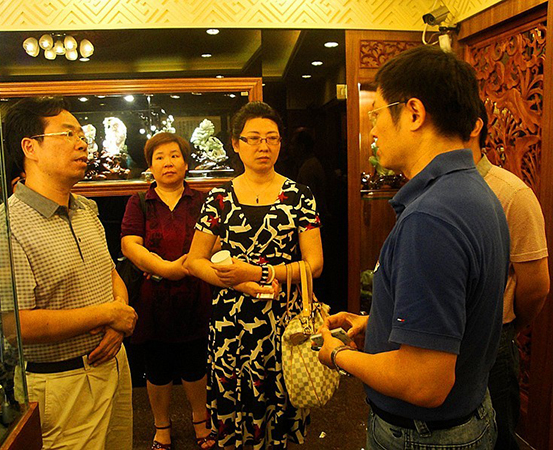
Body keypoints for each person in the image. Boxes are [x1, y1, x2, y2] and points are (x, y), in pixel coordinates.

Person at [318, 45, 509, 449]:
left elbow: (425, 383)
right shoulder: (474, 189)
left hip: (424, 436)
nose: (372, 130)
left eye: (376, 114)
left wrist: (338, 355)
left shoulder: (431, 217)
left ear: (414, 113)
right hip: (469, 415)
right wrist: (378, 325)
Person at [0, 96, 137, 450]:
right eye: (68, 134)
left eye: (82, 135)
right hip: (60, 384)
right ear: (30, 147)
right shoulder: (3, 228)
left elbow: (109, 273)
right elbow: (15, 325)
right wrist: (108, 314)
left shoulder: (86, 209)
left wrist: (117, 323)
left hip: (114, 364)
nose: (82, 143)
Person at [186, 101, 323, 450]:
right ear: (236, 143)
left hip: (284, 319)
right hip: (230, 322)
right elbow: (194, 261)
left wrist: (258, 272)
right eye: (254, 138)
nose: (264, 146)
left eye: (272, 138)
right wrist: (239, 282)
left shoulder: (299, 196)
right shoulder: (219, 198)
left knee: (281, 399)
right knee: (233, 402)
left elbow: (314, 264)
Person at [120, 132, 215, 450]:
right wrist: (165, 268)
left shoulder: (204, 200)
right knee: (156, 369)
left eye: (174, 155)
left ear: (186, 163)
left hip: (196, 295)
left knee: (196, 365)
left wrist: (188, 265)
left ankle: (200, 421)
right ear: (150, 166)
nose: (167, 162)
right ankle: (161, 427)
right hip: (153, 300)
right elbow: (130, 245)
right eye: (159, 157)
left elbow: (218, 241)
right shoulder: (139, 202)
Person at [469, 105, 549, 450]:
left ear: (474, 127)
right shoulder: (429, 187)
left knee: (498, 435)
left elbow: (536, 286)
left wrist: (506, 326)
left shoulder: (510, 193)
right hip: (439, 341)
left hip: (493, 341)